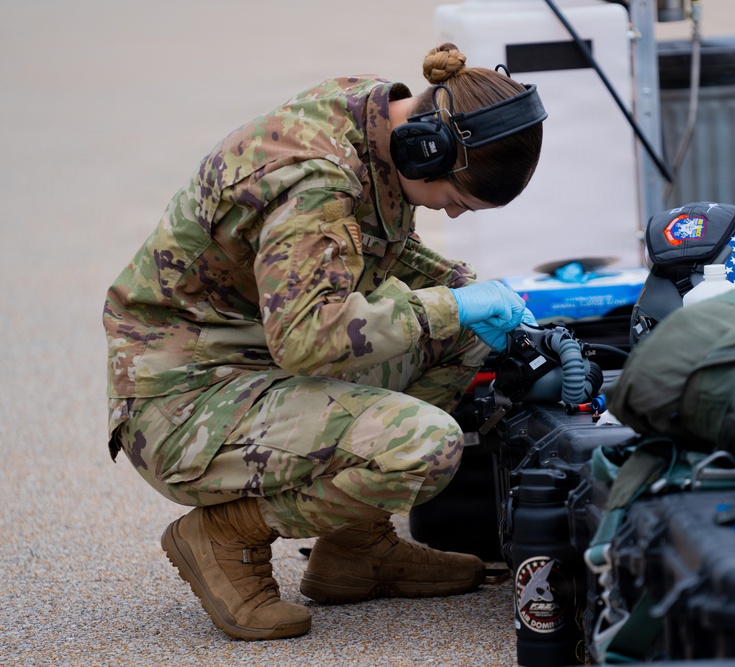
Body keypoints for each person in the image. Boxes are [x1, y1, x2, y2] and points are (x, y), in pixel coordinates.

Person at [103, 42, 545, 641]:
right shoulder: (318, 178)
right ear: (427, 152)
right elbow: (308, 336)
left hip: (254, 361)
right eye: (457, 201)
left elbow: (367, 252)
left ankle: (355, 549)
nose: (456, 215)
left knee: (462, 334)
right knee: (424, 446)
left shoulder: (377, 121)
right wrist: (452, 304)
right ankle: (227, 533)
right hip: (183, 398)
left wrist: (464, 292)